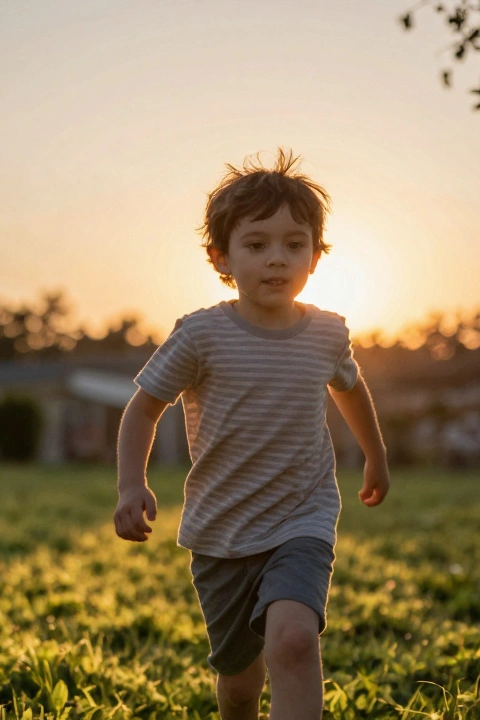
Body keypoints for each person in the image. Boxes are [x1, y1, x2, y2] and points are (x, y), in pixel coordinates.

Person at [113, 149, 390, 720]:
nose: (277, 259)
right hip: (222, 531)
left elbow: (351, 389)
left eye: (295, 244)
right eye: (257, 244)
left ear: (315, 254)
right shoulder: (200, 336)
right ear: (222, 256)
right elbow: (143, 409)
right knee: (240, 685)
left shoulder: (327, 333)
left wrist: (375, 455)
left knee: (293, 642)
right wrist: (129, 484)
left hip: (302, 517)